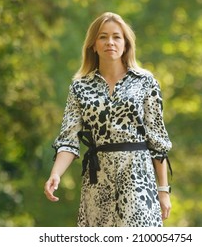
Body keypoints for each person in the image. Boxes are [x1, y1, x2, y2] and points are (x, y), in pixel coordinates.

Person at [44, 12, 172, 227]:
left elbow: (157, 141)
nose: (110, 42)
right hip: (97, 181)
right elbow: (68, 139)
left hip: (138, 178)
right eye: (103, 37)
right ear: (93, 44)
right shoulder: (80, 87)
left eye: (116, 37)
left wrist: (163, 190)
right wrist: (55, 174)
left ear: (126, 44)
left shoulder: (145, 82)